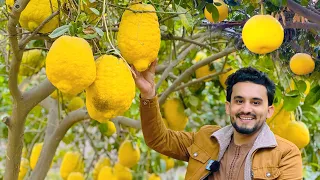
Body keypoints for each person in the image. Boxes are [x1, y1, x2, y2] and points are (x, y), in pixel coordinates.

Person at [133, 61, 303, 180]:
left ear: (269, 111)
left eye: (256, 102)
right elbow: (158, 139)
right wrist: (148, 95)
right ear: (228, 107)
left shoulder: (285, 154)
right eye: (239, 101)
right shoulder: (206, 139)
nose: (246, 109)